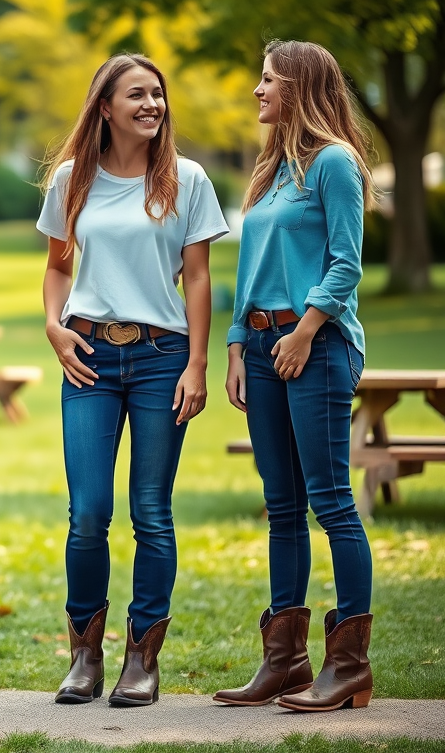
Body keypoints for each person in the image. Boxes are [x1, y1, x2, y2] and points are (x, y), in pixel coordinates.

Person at [38, 54, 228, 707]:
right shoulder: (73, 179)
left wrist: (197, 364)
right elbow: (59, 267)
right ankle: (84, 655)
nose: (152, 105)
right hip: (88, 353)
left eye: (158, 94)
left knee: (151, 511)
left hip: (159, 359)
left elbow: (198, 278)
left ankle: (141, 658)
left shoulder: (187, 179)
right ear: (105, 107)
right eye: (137, 95)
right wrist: (52, 325)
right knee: (88, 512)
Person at [214, 40, 376, 712]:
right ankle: (284, 662)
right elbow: (249, 269)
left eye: (270, 81)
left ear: (300, 90)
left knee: (332, 499)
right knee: (282, 506)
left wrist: (305, 332)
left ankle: (350, 666)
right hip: (260, 347)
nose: (258, 90)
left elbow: (346, 263)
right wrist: (234, 343)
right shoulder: (273, 168)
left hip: (316, 346)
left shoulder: (334, 163)